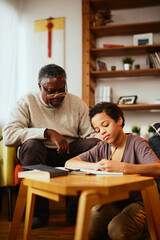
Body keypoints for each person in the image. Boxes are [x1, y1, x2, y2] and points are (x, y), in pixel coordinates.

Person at [2, 64, 100, 229]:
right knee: (32, 145)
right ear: (40, 86)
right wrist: (46, 132)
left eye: (61, 90)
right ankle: (38, 213)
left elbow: (90, 134)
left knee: (96, 145)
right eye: (51, 91)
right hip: (39, 153)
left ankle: (76, 211)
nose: (57, 95)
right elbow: (9, 135)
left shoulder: (76, 102)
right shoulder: (26, 102)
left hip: (69, 152)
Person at [65, 102, 160, 240]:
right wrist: (95, 166)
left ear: (119, 120)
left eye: (105, 125)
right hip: (113, 201)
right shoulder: (101, 147)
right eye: (97, 130)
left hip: (140, 202)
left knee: (117, 231)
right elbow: (69, 162)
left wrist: (123, 167)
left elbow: (157, 168)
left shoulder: (137, 143)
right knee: (89, 230)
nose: (102, 132)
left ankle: (147, 231)